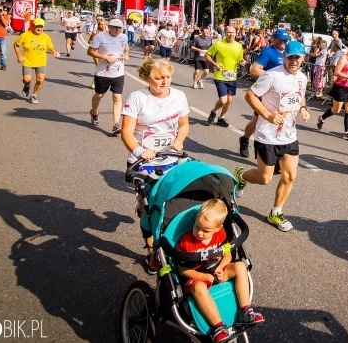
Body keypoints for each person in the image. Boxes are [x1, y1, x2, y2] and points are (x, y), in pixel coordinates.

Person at [121, 58, 190, 272]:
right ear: (146, 78)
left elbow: (184, 124)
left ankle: (173, 242)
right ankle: (152, 251)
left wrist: (179, 141)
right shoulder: (137, 98)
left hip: (170, 159)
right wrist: (142, 151)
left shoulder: (179, 96)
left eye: (167, 77)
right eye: (158, 78)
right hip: (144, 162)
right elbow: (126, 132)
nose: (164, 82)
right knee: (151, 210)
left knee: (172, 204)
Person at [234, 41, 310, 232]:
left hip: (290, 136)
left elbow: (300, 95)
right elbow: (250, 95)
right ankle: (241, 176)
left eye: (297, 57)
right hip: (267, 136)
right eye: (290, 57)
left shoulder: (302, 77)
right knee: (264, 178)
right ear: (284, 56)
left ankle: (276, 212)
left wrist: (303, 108)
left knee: (290, 175)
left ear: (303, 58)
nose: (293, 61)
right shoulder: (271, 75)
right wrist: (267, 115)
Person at [176, 199, 264, 343]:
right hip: (196, 277)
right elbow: (182, 270)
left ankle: (245, 311)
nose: (199, 233)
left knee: (240, 266)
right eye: (197, 226)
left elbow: (227, 254)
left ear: (217, 228)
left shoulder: (220, 234)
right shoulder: (186, 242)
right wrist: (202, 276)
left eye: (205, 230)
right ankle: (219, 327)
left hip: (216, 271)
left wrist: (221, 267)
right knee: (198, 287)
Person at [239, 28, 289, 158]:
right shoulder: (268, 52)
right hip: (266, 93)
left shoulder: (288, 53)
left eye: (286, 40)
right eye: (282, 40)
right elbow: (254, 71)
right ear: (274, 39)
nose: (284, 42)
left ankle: (277, 154)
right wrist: (274, 77)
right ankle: (246, 139)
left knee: (282, 122)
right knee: (259, 121)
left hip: (282, 95)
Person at [88, 19, 130, 134]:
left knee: (117, 97)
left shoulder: (124, 37)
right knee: (99, 95)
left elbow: (126, 47)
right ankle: (94, 112)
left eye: (120, 28)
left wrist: (126, 54)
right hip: (103, 72)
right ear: (109, 27)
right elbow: (90, 51)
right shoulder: (100, 37)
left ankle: (116, 124)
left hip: (118, 72)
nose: (117, 29)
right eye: (115, 27)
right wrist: (104, 57)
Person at [317, 41, 348, 141]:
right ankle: (322, 118)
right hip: (340, 87)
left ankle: (347, 133)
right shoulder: (343, 58)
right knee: (336, 110)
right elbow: (336, 73)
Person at [13, 18, 61, 104]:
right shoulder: (25, 35)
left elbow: (50, 48)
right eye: (37, 26)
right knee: (27, 80)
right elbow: (16, 45)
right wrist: (19, 55)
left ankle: (34, 95)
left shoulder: (46, 37)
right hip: (28, 62)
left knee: (40, 80)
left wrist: (54, 52)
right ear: (33, 26)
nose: (39, 28)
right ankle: (26, 86)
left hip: (41, 62)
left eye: (41, 27)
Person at [204, 26, 244, 127]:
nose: (231, 34)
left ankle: (221, 118)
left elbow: (240, 60)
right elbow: (207, 55)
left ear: (236, 33)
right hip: (220, 76)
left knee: (229, 101)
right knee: (223, 100)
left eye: (233, 32)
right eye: (229, 32)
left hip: (232, 77)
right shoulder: (218, 44)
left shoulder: (239, 46)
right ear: (225, 33)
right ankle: (214, 111)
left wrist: (242, 62)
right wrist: (215, 64)